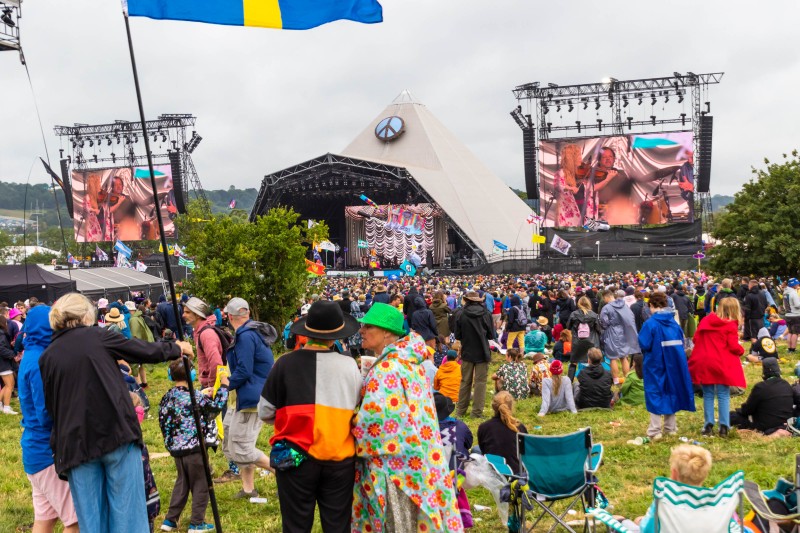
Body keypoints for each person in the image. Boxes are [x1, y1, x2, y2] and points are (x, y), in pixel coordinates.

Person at [39, 292, 191, 532]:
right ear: (85, 315)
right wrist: (176, 348)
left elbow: (51, 407)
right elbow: (141, 350)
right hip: (115, 432)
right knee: (128, 515)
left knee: (92, 521)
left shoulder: (47, 356)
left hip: (75, 443)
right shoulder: (97, 336)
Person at [351, 302, 463, 532]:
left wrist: (350, 422)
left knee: (396, 522)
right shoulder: (412, 363)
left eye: (368, 326)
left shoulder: (386, 370)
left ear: (386, 332)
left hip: (394, 470)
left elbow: (377, 425)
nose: (361, 330)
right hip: (420, 459)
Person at [259, 300, 362, 533]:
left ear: (307, 332)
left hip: (295, 458)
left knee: (296, 526)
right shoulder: (349, 366)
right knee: (338, 525)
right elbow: (356, 403)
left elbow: (265, 412)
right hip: (339, 459)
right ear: (336, 336)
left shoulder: (284, 364)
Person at [17, 305, 79, 533]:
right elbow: (47, 413)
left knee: (45, 520)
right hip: (48, 454)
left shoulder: (31, 353)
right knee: (75, 522)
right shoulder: (40, 360)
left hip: (34, 451)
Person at [159, 359, 228, 533]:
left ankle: (170, 520)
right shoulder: (195, 397)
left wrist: (201, 393)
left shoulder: (167, 396)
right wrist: (224, 387)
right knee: (201, 483)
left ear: (169, 375)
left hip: (176, 450)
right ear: (193, 374)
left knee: (183, 482)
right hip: (195, 449)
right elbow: (215, 408)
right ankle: (197, 523)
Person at [222, 297, 276, 500]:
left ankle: (282, 474)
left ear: (229, 316)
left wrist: (227, 384)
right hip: (247, 395)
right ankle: (248, 489)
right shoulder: (252, 332)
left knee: (242, 447)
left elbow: (244, 370)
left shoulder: (245, 336)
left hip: (252, 397)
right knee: (233, 441)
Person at [617, 444, 720, 533]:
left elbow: (647, 530)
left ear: (674, 473)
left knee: (619, 520)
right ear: (705, 474)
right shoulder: (717, 501)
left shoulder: (666, 499)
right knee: (639, 520)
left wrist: (640, 522)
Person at [637, 291, 695, 440]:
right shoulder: (674, 323)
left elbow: (644, 343)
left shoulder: (650, 324)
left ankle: (655, 431)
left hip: (655, 364)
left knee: (655, 393)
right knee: (671, 392)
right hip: (674, 364)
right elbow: (681, 342)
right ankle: (671, 428)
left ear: (651, 305)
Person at [688, 297, 746, 437]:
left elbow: (695, 339)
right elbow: (733, 346)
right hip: (721, 362)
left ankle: (708, 425)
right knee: (723, 394)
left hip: (705, 361)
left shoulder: (706, 320)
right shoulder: (731, 325)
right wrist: (741, 351)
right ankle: (724, 426)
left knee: (708, 394)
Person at [454, 291, 495, 419]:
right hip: (482, 351)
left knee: (465, 381)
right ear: (478, 300)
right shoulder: (486, 314)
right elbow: (491, 335)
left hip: (467, 351)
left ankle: (460, 411)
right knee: (480, 383)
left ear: (466, 300)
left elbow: (457, 335)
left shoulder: (460, 314)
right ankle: (476, 413)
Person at [729, 358, 794, 435]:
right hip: (784, 424)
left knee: (732, 416)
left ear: (764, 371)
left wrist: (739, 410)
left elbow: (747, 410)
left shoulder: (761, 387)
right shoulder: (787, 385)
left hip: (764, 425)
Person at [477, 392, 528, 474]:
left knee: (475, 449)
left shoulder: (484, 427)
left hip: (494, 471)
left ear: (493, 407)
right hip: (517, 472)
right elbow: (525, 452)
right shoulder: (519, 427)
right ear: (511, 407)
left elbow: (483, 450)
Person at [599, 289, 641, 385]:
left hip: (611, 332)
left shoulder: (606, 308)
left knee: (612, 357)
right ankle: (627, 379)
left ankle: (616, 380)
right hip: (623, 332)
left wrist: (608, 326)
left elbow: (603, 321)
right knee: (624, 357)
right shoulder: (624, 305)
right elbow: (630, 317)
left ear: (606, 297)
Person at [183, 297, 224, 389]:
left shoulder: (206, 334)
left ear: (198, 315)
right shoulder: (199, 330)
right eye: (184, 312)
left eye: (187, 312)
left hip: (213, 386)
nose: (183, 315)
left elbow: (216, 363)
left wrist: (212, 385)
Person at [566, 296, 603, 381]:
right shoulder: (594, 315)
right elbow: (599, 329)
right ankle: (596, 380)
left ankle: (569, 382)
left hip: (577, 342)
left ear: (579, 304)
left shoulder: (574, 314)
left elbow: (568, 326)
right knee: (594, 362)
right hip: (592, 342)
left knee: (573, 362)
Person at [553, 143, 583, 227]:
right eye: (579, 156)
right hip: (565, 216)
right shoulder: (561, 172)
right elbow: (558, 186)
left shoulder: (571, 174)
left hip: (573, 214)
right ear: (572, 158)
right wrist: (571, 188)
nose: (581, 159)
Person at [0, 314, 17, 414]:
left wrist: (9, 345)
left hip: (3, 363)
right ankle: (6, 407)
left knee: (7, 385)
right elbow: (1, 348)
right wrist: (12, 354)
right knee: (10, 385)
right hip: (4, 363)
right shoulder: (2, 334)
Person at [743, 279, 766, 344]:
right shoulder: (762, 293)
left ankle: (755, 349)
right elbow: (765, 303)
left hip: (753, 317)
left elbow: (747, 308)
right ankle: (762, 346)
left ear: (750, 285)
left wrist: (746, 318)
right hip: (761, 316)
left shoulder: (749, 295)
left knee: (754, 335)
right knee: (761, 333)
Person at [783, 278, 800, 353]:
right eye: (797, 284)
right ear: (794, 285)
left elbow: (784, 305)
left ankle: (789, 348)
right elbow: (797, 305)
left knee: (790, 332)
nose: (798, 285)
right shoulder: (793, 293)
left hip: (787, 314)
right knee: (795, 333)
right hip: (795, 315)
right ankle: (793, 349)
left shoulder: (785, 292)